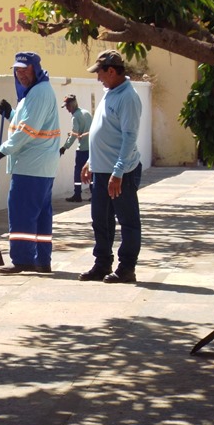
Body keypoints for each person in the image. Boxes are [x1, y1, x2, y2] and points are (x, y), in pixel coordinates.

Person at [0, 52, 61, 275]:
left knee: (21, 213)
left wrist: (3, 149)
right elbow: (31, 121)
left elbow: (28, 130)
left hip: (31, 164)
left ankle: (22, 260)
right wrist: (11, 113)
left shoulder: (39, 93)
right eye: (17, 70)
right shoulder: (35, 92)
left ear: (36, 69)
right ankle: (43, 261)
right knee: (41, 215)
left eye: (25, 69)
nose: (21, 74)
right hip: (41, 166)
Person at [79, 50, 143, 284]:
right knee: (101, 220)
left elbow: (129, 137)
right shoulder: (111, 92)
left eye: (100, 73)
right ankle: (102, 264)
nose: (98, 78)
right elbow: (104, 131)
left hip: (121, 172)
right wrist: (90, 162)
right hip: (103, 169)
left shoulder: (128, 97)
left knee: (128, 221)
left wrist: (117, 172)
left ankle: (126, 268)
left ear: (112, 71)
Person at [59, 94, 93, 202]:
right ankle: (95, 194)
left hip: (82, 149)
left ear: (72, 105)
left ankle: (77, 194)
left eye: (68, 106)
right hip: (91, 148)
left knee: (78, 172)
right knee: (92, 171)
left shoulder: (75, 117)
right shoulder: (86, 113)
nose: (67, 109)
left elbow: (74, 134)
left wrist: (65, 147)